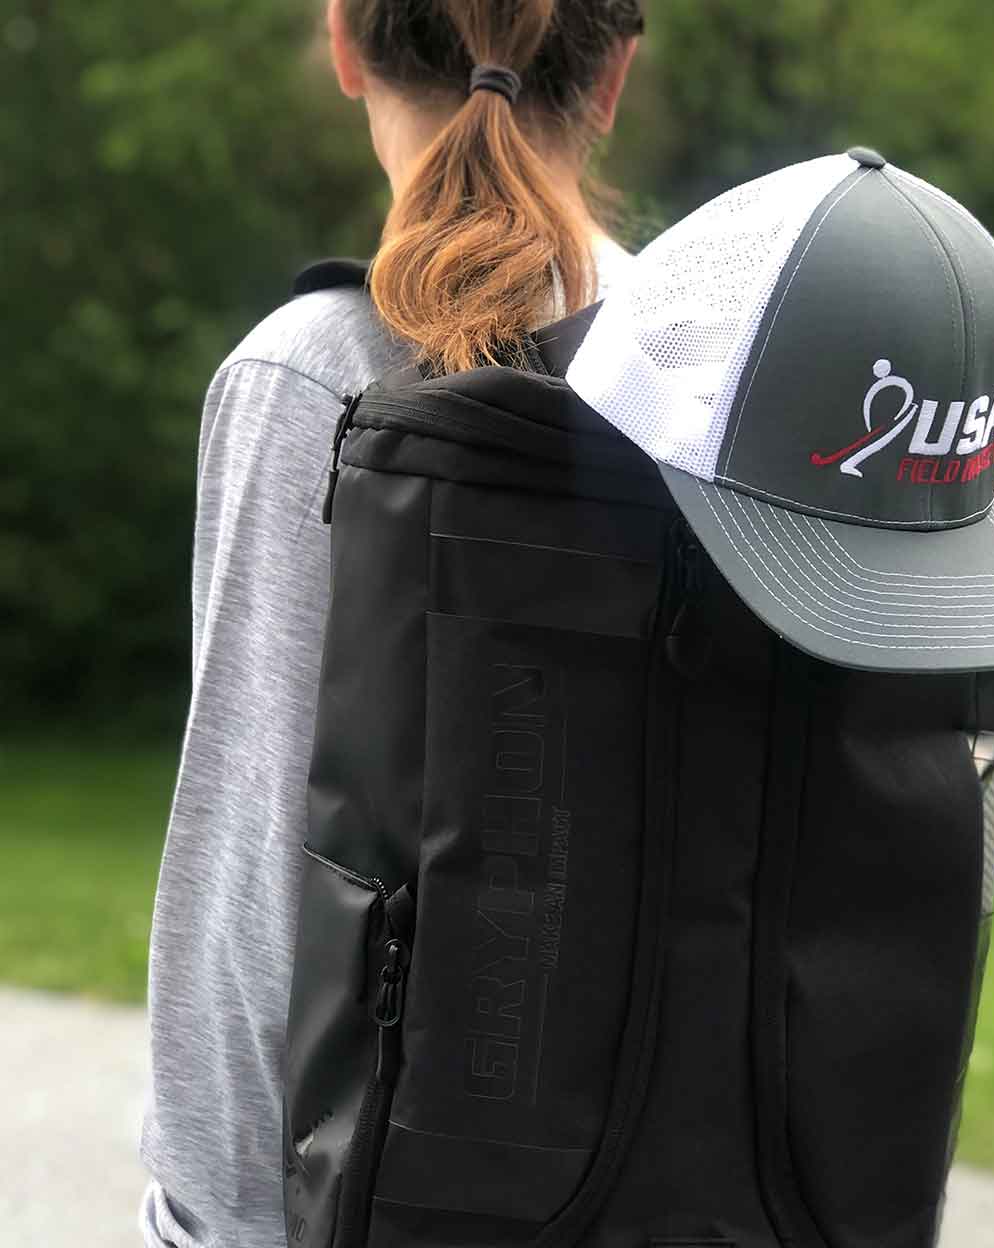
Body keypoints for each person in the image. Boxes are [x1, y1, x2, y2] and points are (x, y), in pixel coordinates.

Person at [138, 3, 643, 1244]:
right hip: (655, 1175)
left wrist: (208, 1221)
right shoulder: (709, 362)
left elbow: (257, 861)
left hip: (378, 1191)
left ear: (347, 47)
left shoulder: (314, 370)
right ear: (616, 75)